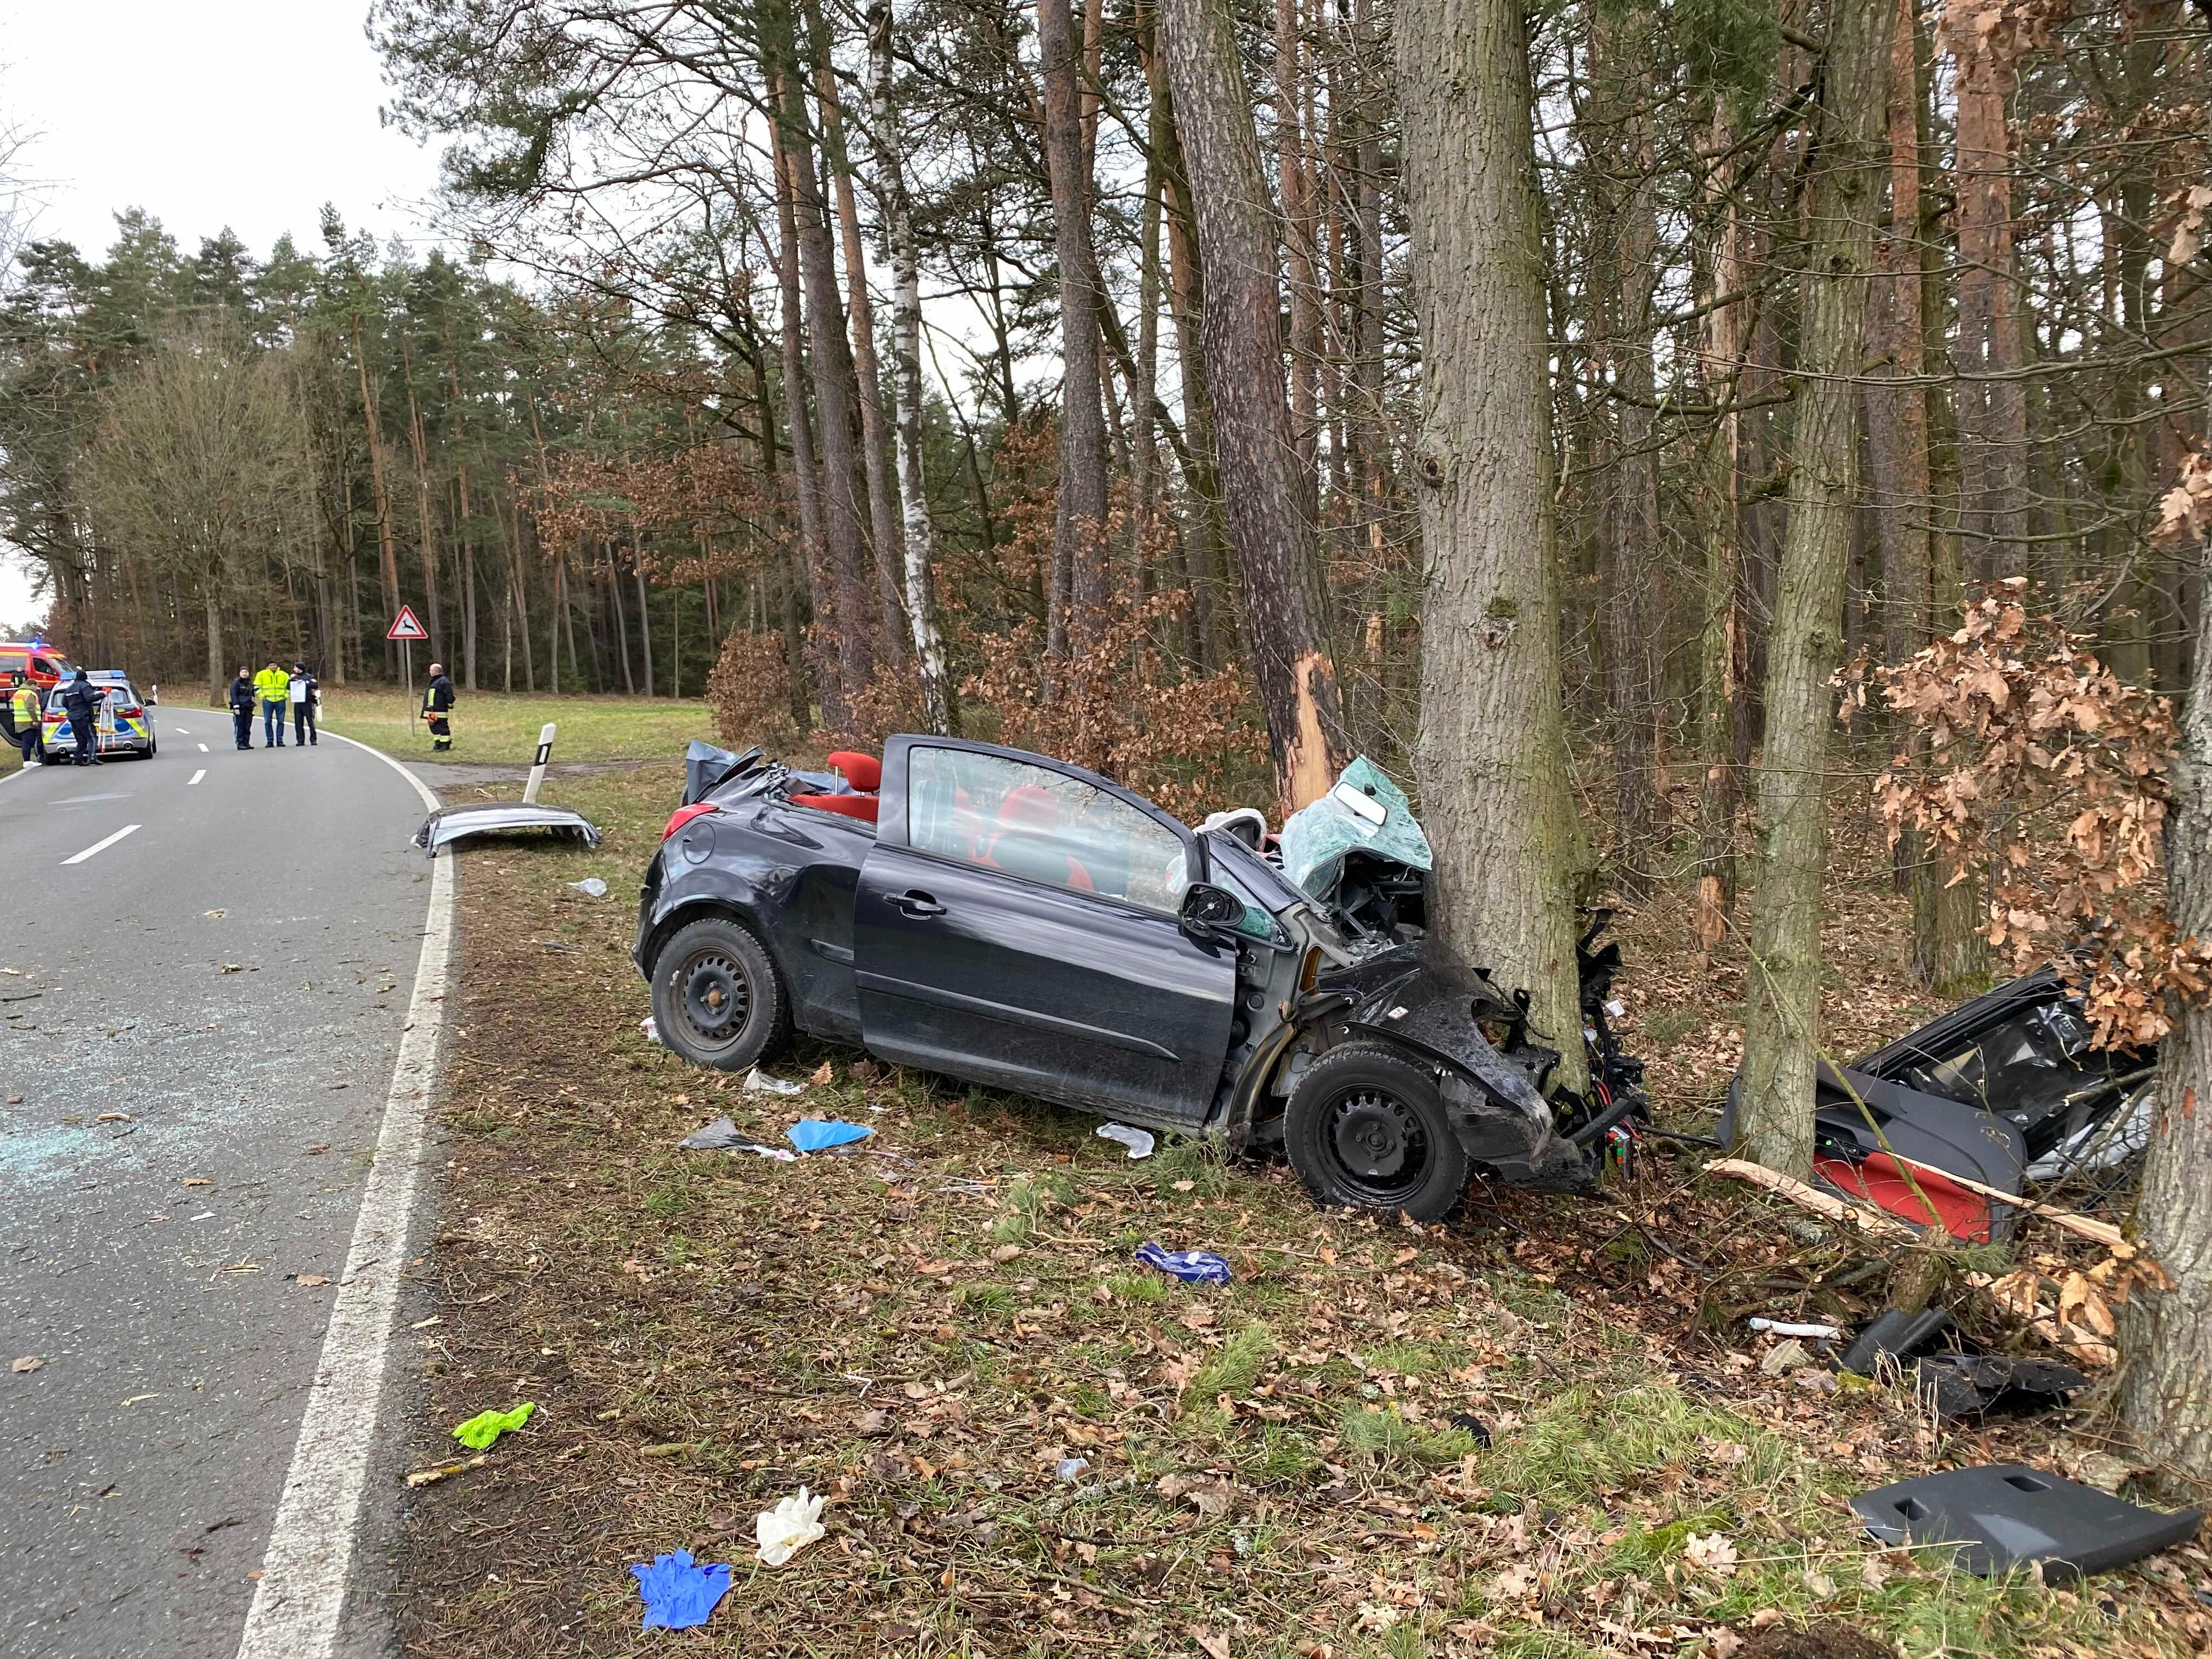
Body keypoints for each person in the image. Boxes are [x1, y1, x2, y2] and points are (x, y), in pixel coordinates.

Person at [59, 667, 101, 766]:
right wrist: (103, 694)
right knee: (92, 738)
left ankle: (77, 759)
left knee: (81, 739)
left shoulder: (69, 688)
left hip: (73, 717)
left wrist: (72, 709)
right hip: (83, 716)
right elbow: (90, 698)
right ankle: (92, 758)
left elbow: (64, 702)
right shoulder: (85, 686)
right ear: (85, 678)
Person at [255, 659, 290, 748]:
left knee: (281, 721)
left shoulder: (284, 675)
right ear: (268, 667)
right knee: (267, 721)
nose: (273, 667)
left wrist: (286, 696)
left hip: (280, 700)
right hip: (268, 700)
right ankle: (270, 740)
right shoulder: (261, 674)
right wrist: (262, 696)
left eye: (274, 665)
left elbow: (289, 687)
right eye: (271, 665)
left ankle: (280, 740)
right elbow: (256, 686)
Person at [7, 670, 38, 765]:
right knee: (28, 742)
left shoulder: (17, 693)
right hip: (28, 721)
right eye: (36, 686)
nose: (36, 688)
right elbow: (30, 707)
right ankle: (27, 761)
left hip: (19, 721)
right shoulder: (29, 693)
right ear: (32, 685)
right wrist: (35, 720)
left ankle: (27, 760)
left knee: (26, 741)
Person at [422, 662, 455, 753]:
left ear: (435, 671)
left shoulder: (444, 681)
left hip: (440, 710)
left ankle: (446, 745)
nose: (430, 672)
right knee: (434, 727)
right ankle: (438, 744)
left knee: (442, 727)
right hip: (432, 711)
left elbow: (449, 695)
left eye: (431, 670)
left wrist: (449, 703)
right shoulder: (434, 682)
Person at [288, 661, 319, 747]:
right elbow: (288, 686)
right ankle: (300, 740)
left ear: (300, 668)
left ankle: (313, 740)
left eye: (295, 668)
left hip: (307, 702)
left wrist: (304, 682)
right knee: (298, 722)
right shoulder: (294, 677)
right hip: (298, 703)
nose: (294, 669)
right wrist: (291, 679)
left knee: (310, 721)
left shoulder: (308, 677)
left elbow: (315, 685)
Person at [228, 665, 256, 751]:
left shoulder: (250, 683)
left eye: (246, 672)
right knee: (240, 726)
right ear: (240, 673)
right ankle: (240, 743)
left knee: (247, 726)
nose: (244, 674)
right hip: (239, 707)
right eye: (243, 672)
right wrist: (236, 707)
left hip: (248, 707)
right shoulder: (236, 683)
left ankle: (246, 742)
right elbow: (234, 695)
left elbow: (252, 695)